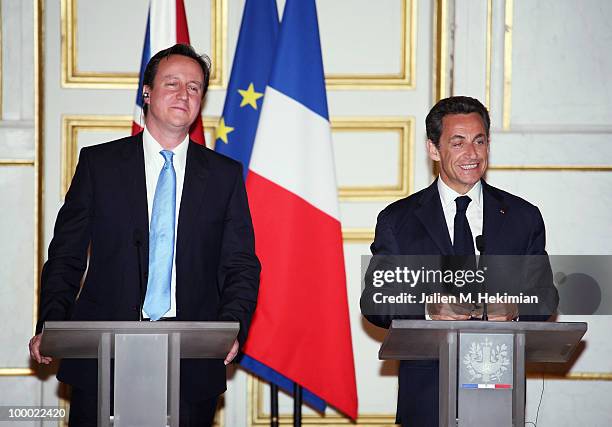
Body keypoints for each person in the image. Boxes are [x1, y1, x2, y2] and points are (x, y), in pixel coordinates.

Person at [28, 44, 260, 427]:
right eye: (172, 83)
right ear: (147, 93)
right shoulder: (99, 164)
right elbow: (66, 256)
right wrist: (51, 325)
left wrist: (232, 326)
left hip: (191, 359)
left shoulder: (223, 175)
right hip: (102, 355)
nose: (184, 94)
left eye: (194, 87)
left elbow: (240, 264)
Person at [360, 96, 558, 426]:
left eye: (480, 141)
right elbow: (376, 301)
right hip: (426, 395)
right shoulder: (399, 220)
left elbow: (546, 295)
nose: (472, 153)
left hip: (500, 389)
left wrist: (516, 309)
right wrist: (427, 309)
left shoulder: (523, 217)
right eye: (458, 142)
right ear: (433, 149)